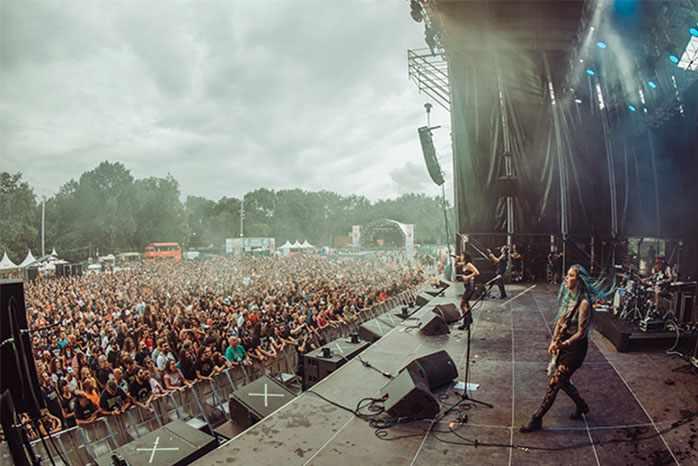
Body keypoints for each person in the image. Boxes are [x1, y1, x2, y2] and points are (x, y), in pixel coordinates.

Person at [520, 265, 604, 433]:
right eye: (567, 274)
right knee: (562, 382)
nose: (566, 278)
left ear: (578, 280)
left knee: (555, 382)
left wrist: (563, 344)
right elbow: (561, 321)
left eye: (571, 275)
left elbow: (581, 333)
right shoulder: (568, 296)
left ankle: (537, 419)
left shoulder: (584, 303)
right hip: (563, 345)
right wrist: (554, 341)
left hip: (575, 350)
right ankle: (582, 406)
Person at [457, 253, 480, 330]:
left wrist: (467, 276)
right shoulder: (464, 264)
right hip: (467, 286)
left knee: (462, 304)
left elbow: (477, 272)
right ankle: (469, 320)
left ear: (465, 257)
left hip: (470, 286)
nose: (461, 256)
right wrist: (457, 258)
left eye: (462, 255)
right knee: (466, 304)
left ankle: (466, 322)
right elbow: (458, 263)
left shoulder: (469, 264)